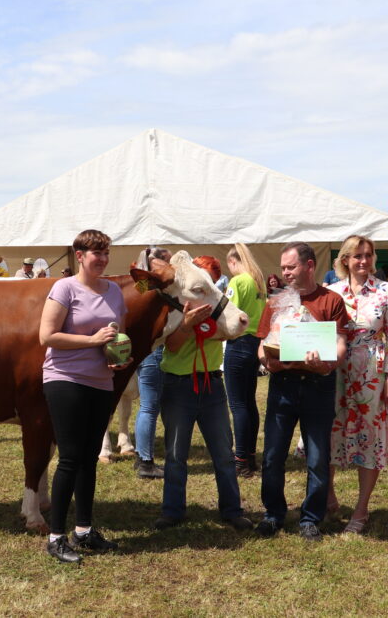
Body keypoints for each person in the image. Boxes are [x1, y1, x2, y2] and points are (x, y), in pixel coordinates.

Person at [38, 229, 132, 563]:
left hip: (100, 381)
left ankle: (84, 530)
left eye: (107, 253)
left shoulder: (114, 292)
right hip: (65, 379)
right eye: (97, 253)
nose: (103, 260)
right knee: (70, 458)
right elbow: (47, 336)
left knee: (90, 457)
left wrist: (116, 354)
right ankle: (56, 537)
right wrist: (93, 341)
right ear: (80, 255)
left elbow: (115, 334)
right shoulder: (64, 288)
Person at [255, 242, 350, 541]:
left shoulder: (331, 300)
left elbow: (340, 344)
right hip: (283, 386)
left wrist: (326, 362)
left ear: (309, 266)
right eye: (283, 267)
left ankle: (310, 519)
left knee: (317, 457)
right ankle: (273, 514)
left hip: (318, 386)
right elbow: (261, 346)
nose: (285, 272)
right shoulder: (276, 301)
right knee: (272, 455)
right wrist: (268, 361)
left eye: (290, 266)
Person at [153, 254, 253, 532]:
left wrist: (211, 328)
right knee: (175, 453)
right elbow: (171, 346)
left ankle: (232, 510)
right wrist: (187, 325)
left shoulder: (217, 310)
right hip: (177, 385)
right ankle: (172, 511)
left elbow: (235, 329)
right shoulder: (174, 312)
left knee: (223, 452)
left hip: (211, 384)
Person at [325, 235, 388, 534]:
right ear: (345, 259)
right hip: (334, 370)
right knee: (329, 430)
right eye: (357, 256)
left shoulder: (387, 291)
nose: (364, 261)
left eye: (368, 255)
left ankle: (361, 509)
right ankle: (328, 495)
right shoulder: (331, 292)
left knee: (370, 437)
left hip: (371, 368)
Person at [221, 243, 268, 478]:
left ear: (233, 262)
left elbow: (229, 312)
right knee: (249, 403)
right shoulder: (258, 281)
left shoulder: (238, 281)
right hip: (254, 344)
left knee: (238, 405)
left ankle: (240, 461)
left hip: (238, 343)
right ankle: (250, 456)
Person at [132, 247, 172, 479]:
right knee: (149, 406)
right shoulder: (158, 289)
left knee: (147, 406)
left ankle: (142, 456)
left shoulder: (141, 287)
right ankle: (145, 462)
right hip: (153, 349)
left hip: (143, 349)